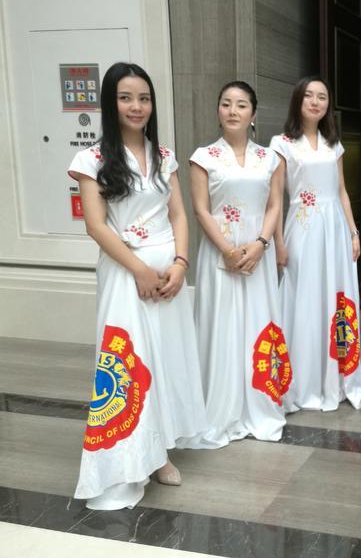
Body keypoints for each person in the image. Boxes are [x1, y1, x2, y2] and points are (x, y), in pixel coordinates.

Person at [68, 62, 207, 510]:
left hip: (169, 277)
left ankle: (159, 449)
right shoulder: (91, 159)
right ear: (111, 103)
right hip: (125, 274)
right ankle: (128, 457)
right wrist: (140, 271)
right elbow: (96, 226)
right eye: (126, 97)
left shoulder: (163, 155)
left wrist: (181, 264)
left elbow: (179, 215)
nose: (136, 106)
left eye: (144, 98)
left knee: (165, 359)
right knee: (131, 362)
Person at [190, 81, 287, 445]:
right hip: (220, 255)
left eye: (241, 105)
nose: (233, 111)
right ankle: (220, 410)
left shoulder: (270, 158)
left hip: (258, 254)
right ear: (218, 110)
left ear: (253, 114)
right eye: (226, 104)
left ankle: (259, 405)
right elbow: (200, 210)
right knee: (222, 327)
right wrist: (228, 250)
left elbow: (275, 205)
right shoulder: (203, 157)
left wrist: (261, 244)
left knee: (259, 324)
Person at [270, 76, 361, 412]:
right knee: (304, 298)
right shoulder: (281, 143)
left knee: (335, 297)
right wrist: (278, 242)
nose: (315, 102)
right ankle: (303, 379)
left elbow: (342, 192)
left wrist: (353, 232)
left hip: (335, 228)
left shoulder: (333, 144)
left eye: (322, 97)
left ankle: (336, 376)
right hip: (302, 227)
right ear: (298, 100)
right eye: (308, 95)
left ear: (328, 104)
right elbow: (275, 199)